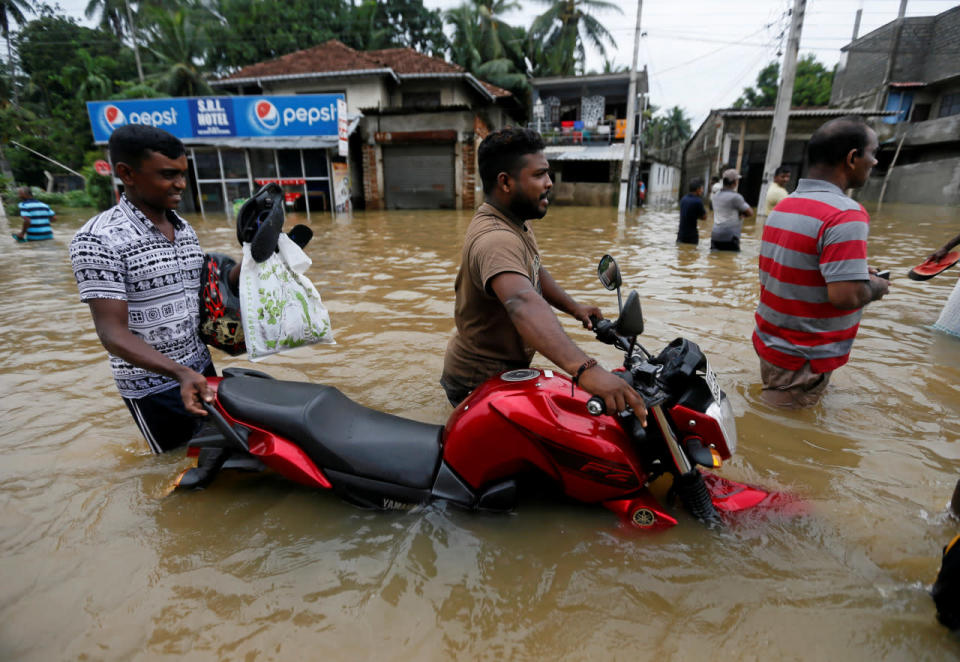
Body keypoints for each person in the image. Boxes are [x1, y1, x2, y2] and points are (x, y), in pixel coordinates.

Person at [440, 127, 646, 419]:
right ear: (506, 182)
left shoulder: (517, 222)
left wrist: (574, 308)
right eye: (539, 175)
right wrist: (586, 370)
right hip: (477, 383)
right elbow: (521, 301)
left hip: (505, 372)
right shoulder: (496, 239)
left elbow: (534, 271)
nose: (550, 183)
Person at [70, 124, 240, 453]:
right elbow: (112, 334)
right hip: (153, 387)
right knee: (177, 466)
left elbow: (207, 294)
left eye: (182, 174)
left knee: (220, 458)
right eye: (167, 174)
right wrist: (178, 373)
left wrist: (254, 264)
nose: (180, 185)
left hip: (198, 370)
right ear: (126, 174)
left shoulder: (184, 228)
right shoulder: (97, 239)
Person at [752, 116, 889, 408]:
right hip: (803, 358)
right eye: (872, 154)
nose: (874, 162)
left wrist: (851, 271)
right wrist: (874, 286)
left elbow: (794, 267)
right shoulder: (846, 215)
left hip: (772, 343)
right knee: (779, 438)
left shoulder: (785, 206)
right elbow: (846, 296)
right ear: (852, 158)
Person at [710, 168, 753, 251]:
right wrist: (741, 215)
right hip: (730, 237)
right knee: (730, 260)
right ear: (734, 182)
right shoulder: (736, 197)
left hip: (715, 235)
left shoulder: (715, 196)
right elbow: (750, 212)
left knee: (715, 261)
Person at [677, 178, 707, 245]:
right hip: (691, 237)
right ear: (698, 189)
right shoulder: (698, 201)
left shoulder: (683, 199)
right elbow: (704, 217)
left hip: (681, 235)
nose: (702, 191)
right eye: (702, 188)